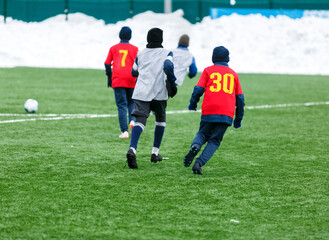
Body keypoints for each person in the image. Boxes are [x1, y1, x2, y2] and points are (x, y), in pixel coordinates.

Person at [184, 46, 245, 175]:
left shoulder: (208, 71)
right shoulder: (233, 74)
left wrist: (193, 103)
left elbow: (198, 89)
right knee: (214, 140)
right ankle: (198, 163)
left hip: (209, 109)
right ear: (228, 59)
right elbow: (240, 99)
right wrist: (238, 118)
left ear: (213, 58)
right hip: (226, 113)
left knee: (202, 133)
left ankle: (195, 146)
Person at [126, 27, 177, 169]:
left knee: (140, 120)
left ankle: (132, 149)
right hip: (159, 92)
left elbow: (133, 72)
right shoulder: (167, 53)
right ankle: (155, 153)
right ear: (161, 39)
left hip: (142, 92)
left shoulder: (140, 54)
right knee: (160, 120)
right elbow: (168, 65)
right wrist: (172, 82)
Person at [104, 26, 138, 139]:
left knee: (122, 105)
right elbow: (138, 64)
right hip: (131, 79)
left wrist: (109, 78)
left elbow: (107, 64)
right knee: (132, 102)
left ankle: (124, 131)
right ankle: (132, 121)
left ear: (119, 35)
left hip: (118, 79)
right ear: (130, 36)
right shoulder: (134, 49)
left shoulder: (114, 48)